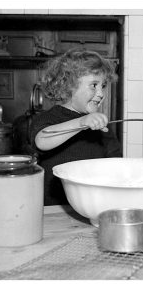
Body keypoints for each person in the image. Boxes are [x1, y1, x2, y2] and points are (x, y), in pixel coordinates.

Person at [30, 49, 122, 205]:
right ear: (68, 86)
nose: (101, 93)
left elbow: (116, 165)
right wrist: (81, 123)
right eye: (94, 85)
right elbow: (42, 140)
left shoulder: (101, 126)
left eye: (103, 86)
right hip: (54, 207)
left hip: (93, 204)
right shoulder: (48, 119)